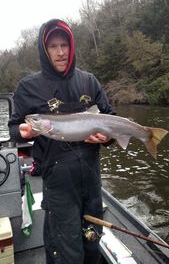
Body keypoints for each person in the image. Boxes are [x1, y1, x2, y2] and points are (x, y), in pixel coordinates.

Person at [9, 18, 115, 264]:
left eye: (64, 45)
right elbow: (14, 127)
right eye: (53, 46)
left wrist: (107, 138)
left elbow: (109, 119)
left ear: (72, 46)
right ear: (45, 50)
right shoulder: (28, 86)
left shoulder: (89, 81)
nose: (60, 52)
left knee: (91, 246)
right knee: (66, 254)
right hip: (58, 187)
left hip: (91, 183)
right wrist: (22, 133)